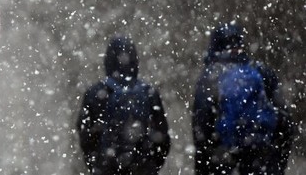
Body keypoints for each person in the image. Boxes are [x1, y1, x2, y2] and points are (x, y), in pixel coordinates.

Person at [192, 23, 293, 175]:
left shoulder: (210, 78)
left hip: (224, 163)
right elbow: (285, 124)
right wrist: (277, 162)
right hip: (262, 161)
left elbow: (201, 129)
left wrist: (206, 166)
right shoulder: (262, 72)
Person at [76, 36, 171, 175]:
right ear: (135, 60)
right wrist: (149, 166)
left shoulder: (94, 93)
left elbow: (86, 139)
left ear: (108, 60)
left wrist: (98, 165)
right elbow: (163, 139)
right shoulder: (148, 93)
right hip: (142, 169)